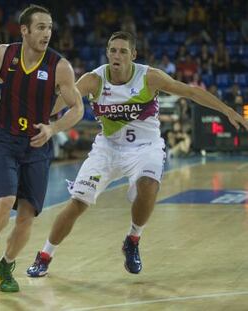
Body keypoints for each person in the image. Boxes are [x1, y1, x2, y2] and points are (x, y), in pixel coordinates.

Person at [27, 31, 248, 277]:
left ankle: (132, 239)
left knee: (148, 185)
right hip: (108, 148)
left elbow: (191, 92)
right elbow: (59, 103)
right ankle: (45, 255)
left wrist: (228, 110)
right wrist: (33, 119)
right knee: (77, 203)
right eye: (112, 50)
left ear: (133, 54)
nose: (116, 55)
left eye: (123, 51)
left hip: (146, 147)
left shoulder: (149, 77)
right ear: (107, 53)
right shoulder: (94, 80)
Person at [0, 5, 83, 292]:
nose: (47, 33)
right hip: (5, 138)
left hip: (37, 145)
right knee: (5, 200)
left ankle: (6, 266)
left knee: (26, 216)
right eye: (40, 27)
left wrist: (53, 128)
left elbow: (77, 108)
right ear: (24, 30)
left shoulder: (60, 66)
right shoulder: (4, 52)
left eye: (49, 27)